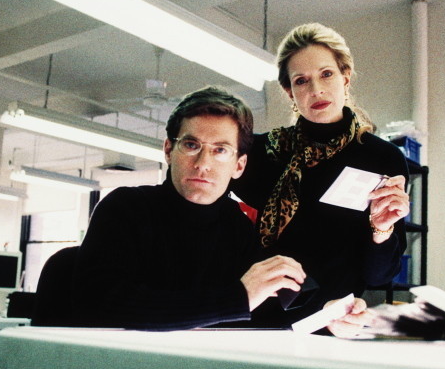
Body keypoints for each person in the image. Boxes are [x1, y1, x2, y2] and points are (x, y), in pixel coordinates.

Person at [71, 86, 306, 330]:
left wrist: (324, 315)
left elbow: (264, 310)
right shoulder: (124, 208)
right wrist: (236, 299)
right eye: (191, 145)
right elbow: (100, 304)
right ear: (168, 150)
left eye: (220, 150)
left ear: (239, 165)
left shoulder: (238, 227)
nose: (203, 164)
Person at [231, 23, 410, 333]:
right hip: (255, 319)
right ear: (290, 92)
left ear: (345, 78)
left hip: (331, 322)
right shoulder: (260, 153)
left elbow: (380, 276)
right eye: (301, 81)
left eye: (326, 74)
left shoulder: (382, 158)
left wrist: (381, 229)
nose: (316, 90)